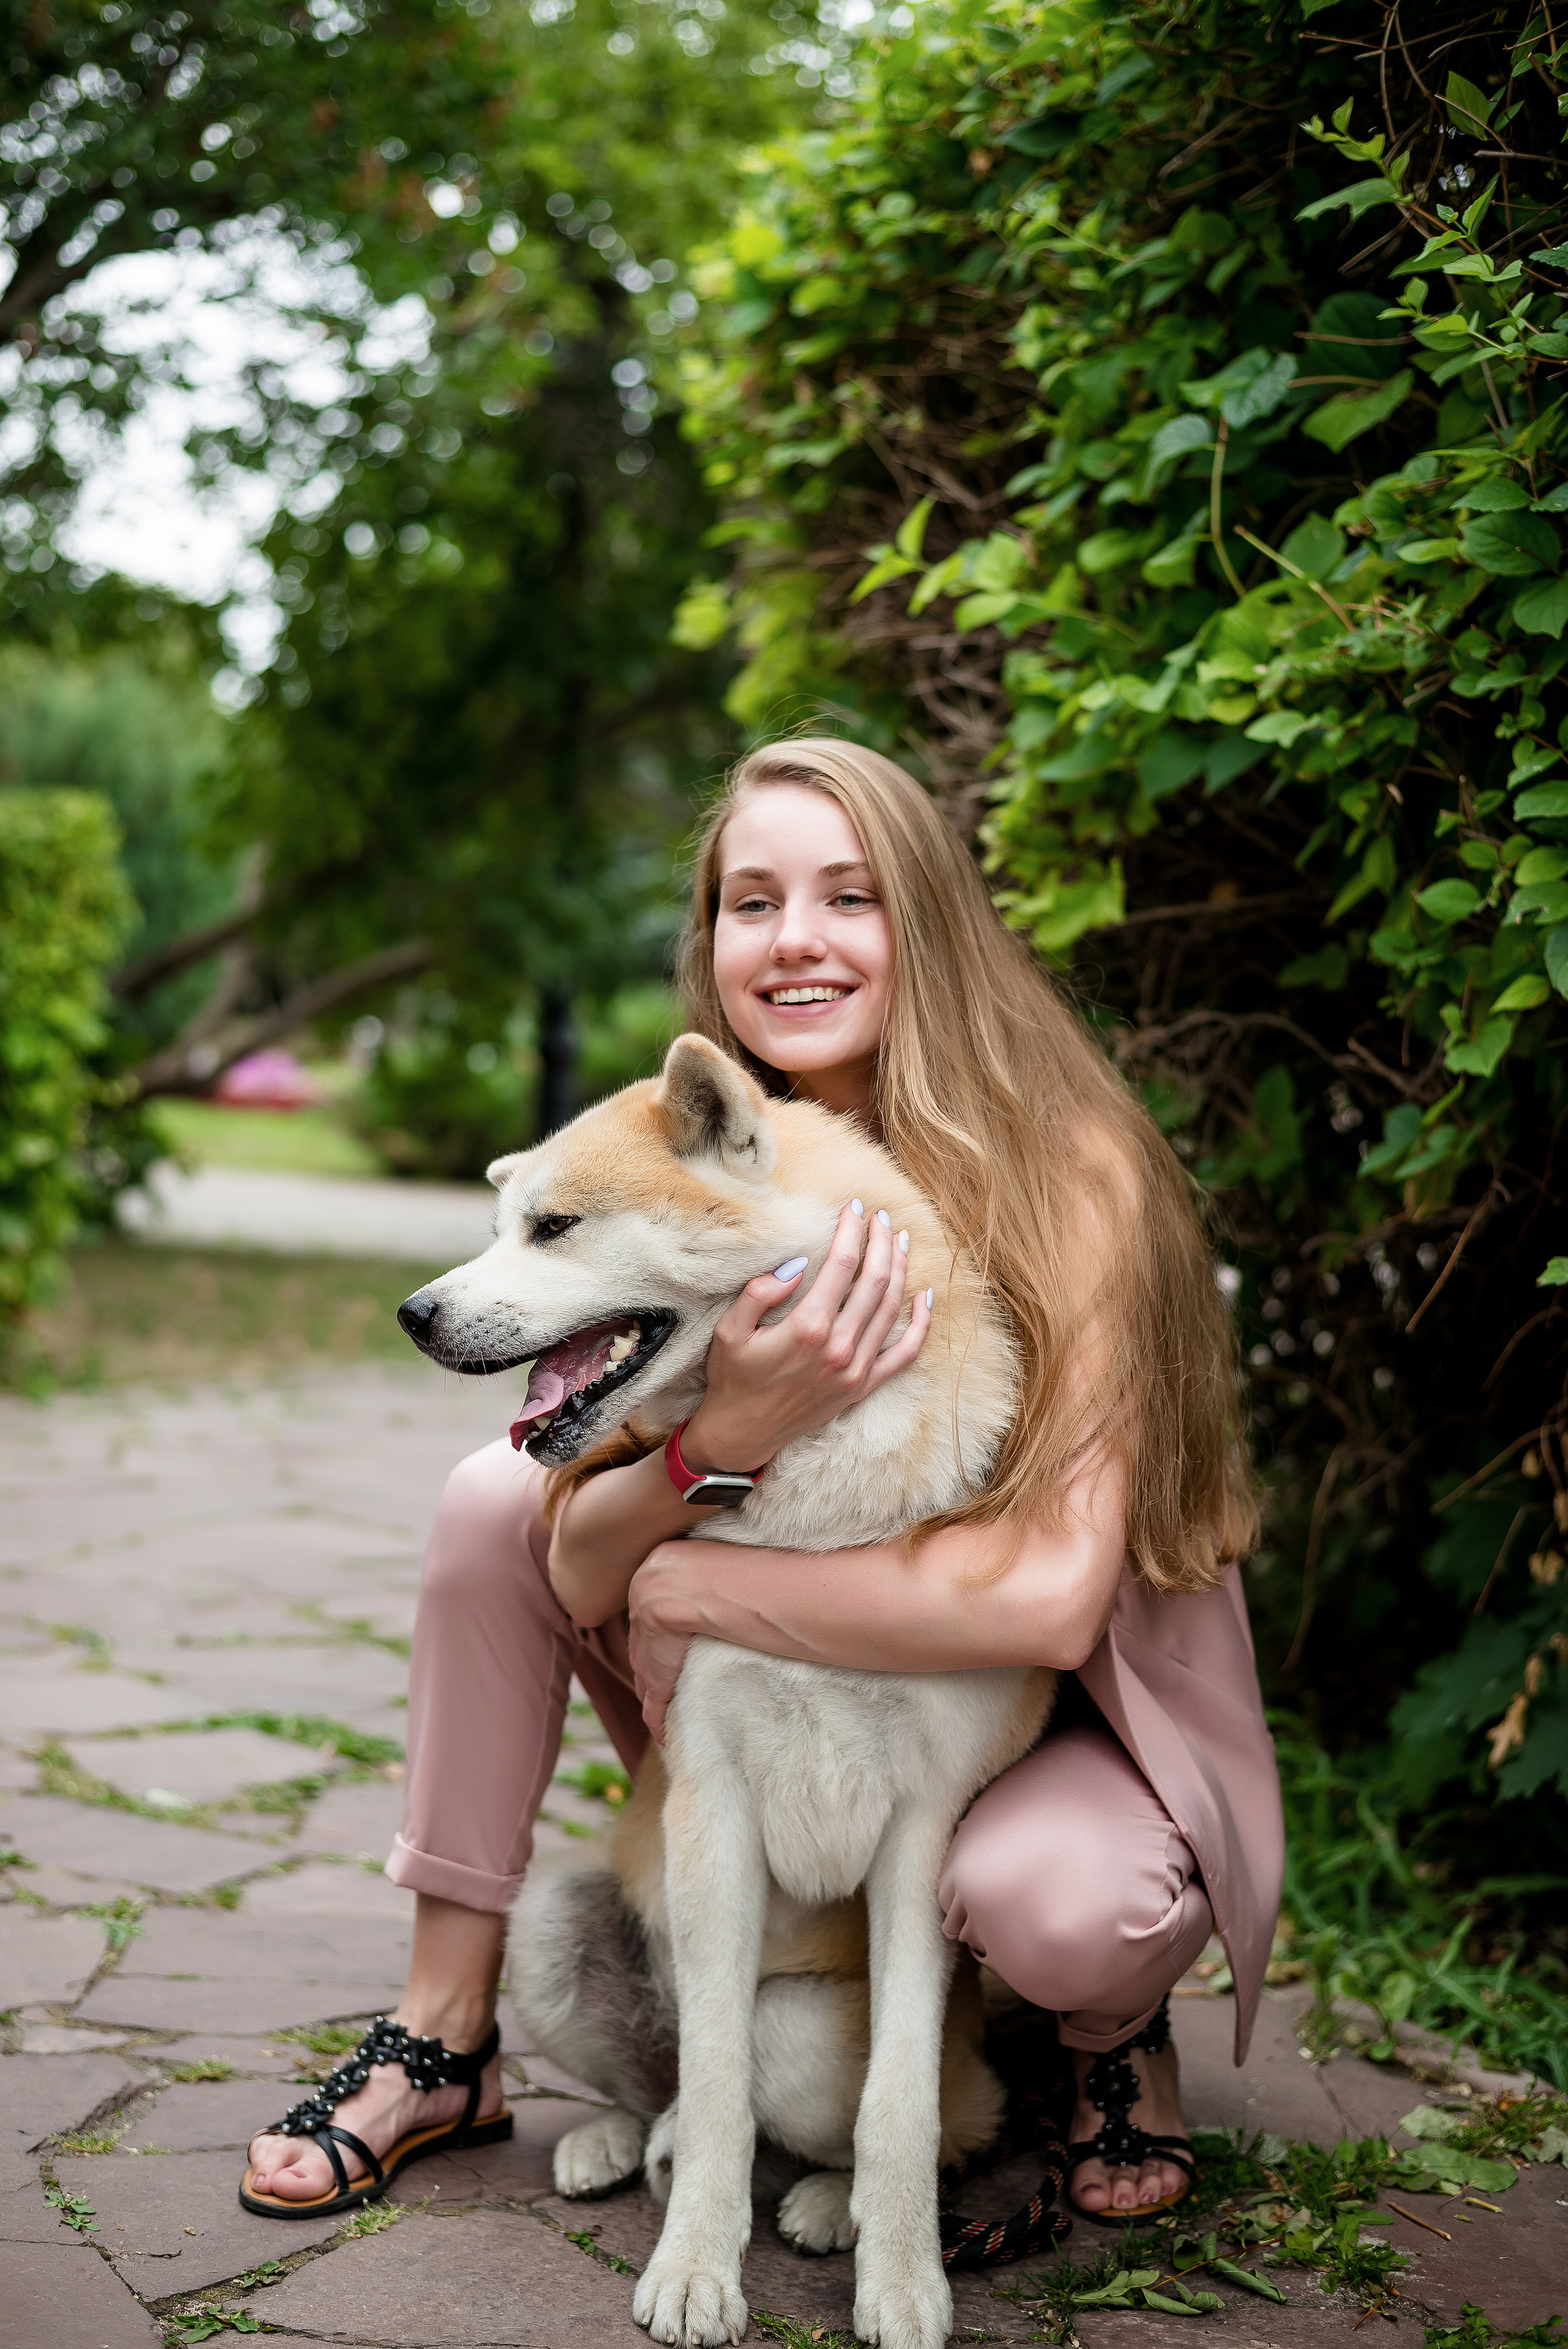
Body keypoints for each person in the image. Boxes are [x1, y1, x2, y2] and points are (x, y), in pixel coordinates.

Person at [241, 738, 1283, 2226]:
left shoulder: (1070, 1168)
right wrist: (725, 1433)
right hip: (825, 1716)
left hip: (1057, 1708)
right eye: (750, 901)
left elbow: (1052, 1602)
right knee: (491, 1503)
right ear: (711, 942)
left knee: (1066, 1907)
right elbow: (574, 1565)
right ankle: (443, 2028)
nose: (792, 938)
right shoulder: (707, 1167)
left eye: (847, 897)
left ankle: (1108, 2039)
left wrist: (701, 1575)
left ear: (923, 921)